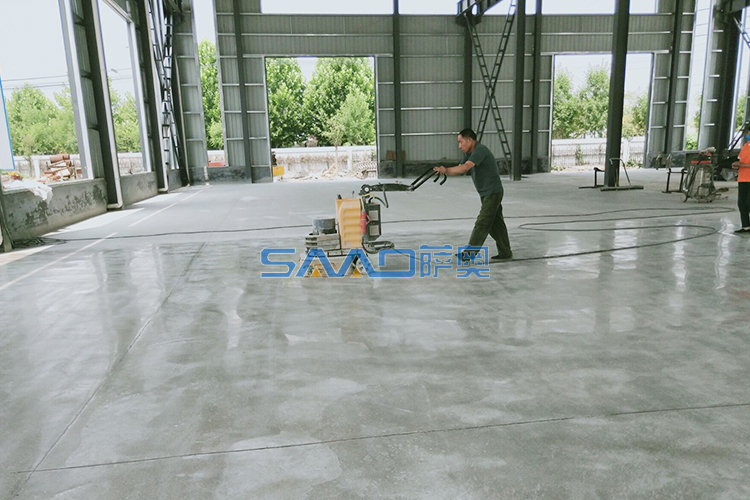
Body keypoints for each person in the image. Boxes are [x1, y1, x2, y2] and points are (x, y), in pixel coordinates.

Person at [434, 128, 512, 261]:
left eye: (461, 142)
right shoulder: (469, 153)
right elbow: (460, 168)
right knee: (496, 225)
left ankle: (469, 254)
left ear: (469, 140)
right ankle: (505, 252)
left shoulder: (480, 150)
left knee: (482, 222)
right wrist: (444, 171)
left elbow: (465, 167)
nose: (459, 146)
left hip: (492, 192)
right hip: (486, 193)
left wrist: (446, 170)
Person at [731, 126, 750, 234]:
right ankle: (746, 226)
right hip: (743, 178)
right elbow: (740, 160)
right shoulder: (746, 146)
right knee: (742, 202)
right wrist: (736, 164)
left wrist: (743, 165)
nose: (748, 135)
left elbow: (744, 163)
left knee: (749, 202)